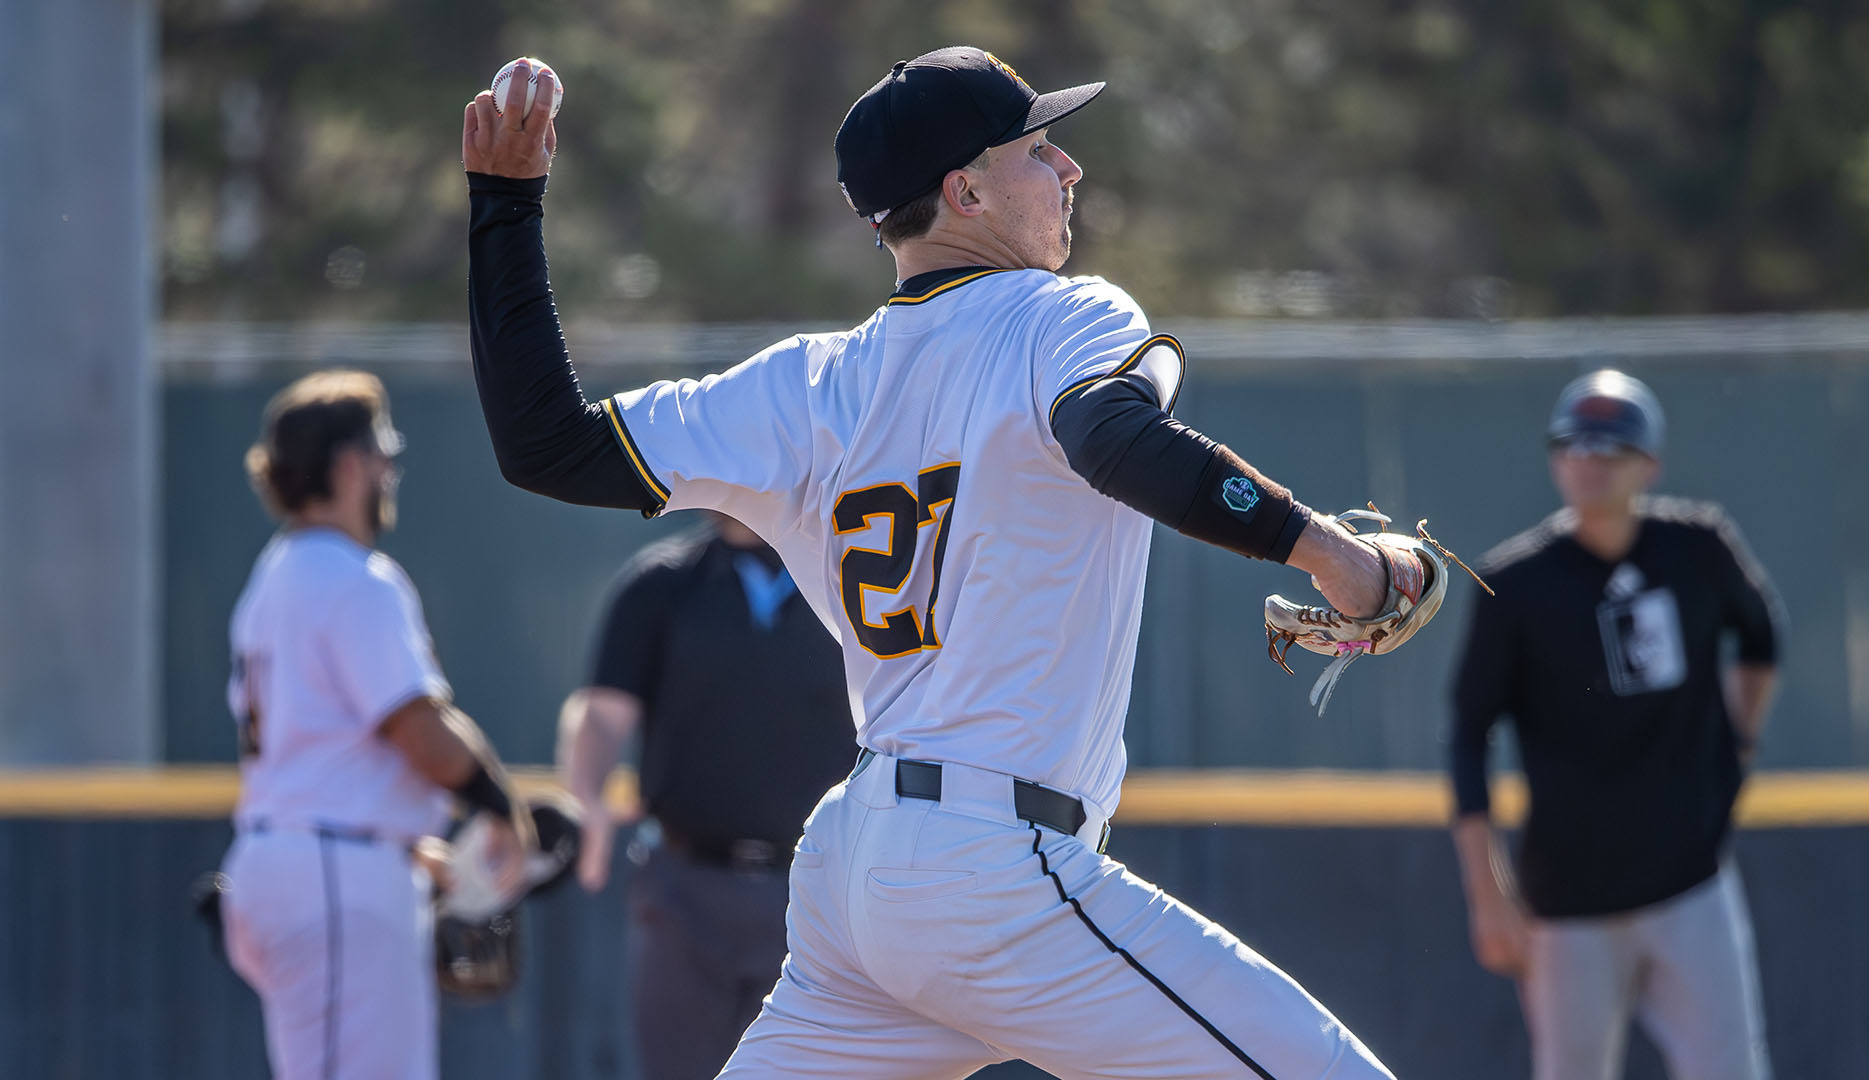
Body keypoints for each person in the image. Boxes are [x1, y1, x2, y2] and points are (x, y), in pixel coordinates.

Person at [462, 47, 1409, 1079]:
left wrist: (506, 209)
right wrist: (1337, 556)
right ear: (964, 189)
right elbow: (1115, 441)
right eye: (1039, 150)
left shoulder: (807, 385)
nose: (1069, 171)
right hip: (994, 869)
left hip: (858, 873)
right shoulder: (1061, 314)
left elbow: (546, 444)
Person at [1448, 369, 1785, 1080]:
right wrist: (1488, 895)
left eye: (1610, 446)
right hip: (1569, 902)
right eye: (1572, 444)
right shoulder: (1515, 582)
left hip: (1690, 882)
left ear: (1649, 463)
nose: (1588, 460)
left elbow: (1762, 638)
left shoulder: (1698, 548)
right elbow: (1467, 734)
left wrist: (1741, 740)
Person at [219, 369, 534, 1080]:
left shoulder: (273, 575)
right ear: (353, 464)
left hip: (295, 856)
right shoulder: (353, 578)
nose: (391, 471)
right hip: (334, 873)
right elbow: (418, 730)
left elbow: (328, 746)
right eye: (382, 454)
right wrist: (499, 805)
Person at [556, 511, 855, 1079]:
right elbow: (601, 713)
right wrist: (586, 796)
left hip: (817, 897)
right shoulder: (662, 582)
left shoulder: (849, 579)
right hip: (685, 897)